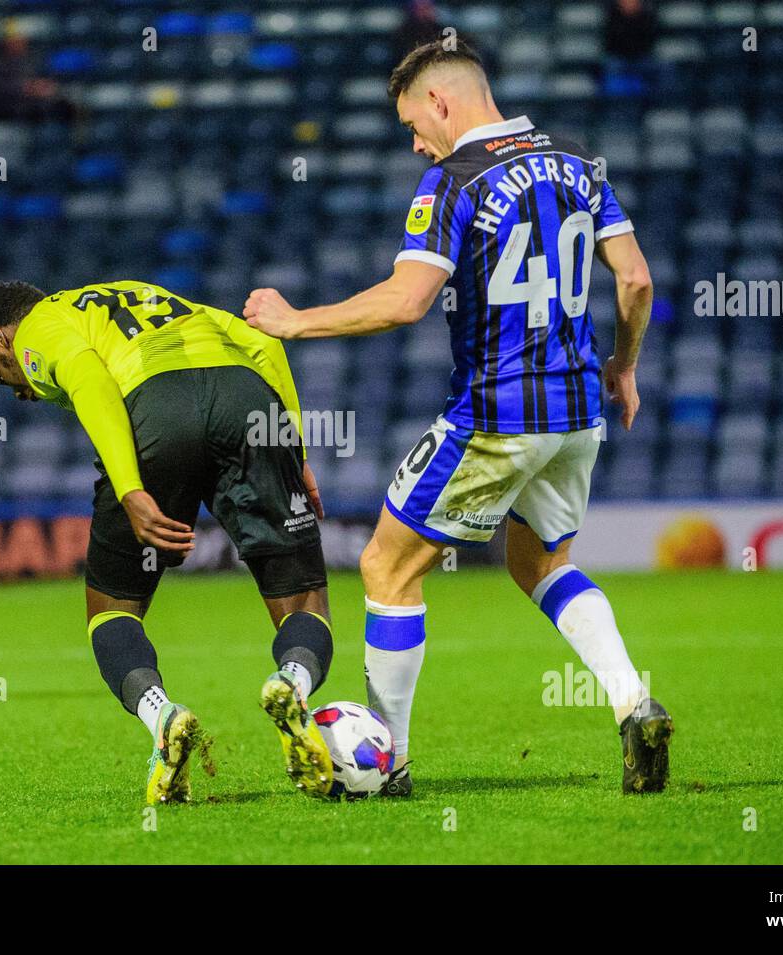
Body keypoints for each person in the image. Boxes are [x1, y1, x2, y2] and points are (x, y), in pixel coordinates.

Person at [244, 40, 674, 795]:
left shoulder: (454, 179)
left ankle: (391, 763)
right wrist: (625, 363)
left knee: (385, 565)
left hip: (498, 413)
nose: (415, 141)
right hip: (577, 410)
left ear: (442, 103)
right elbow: (635, 279)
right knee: (541, 561)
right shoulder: (578, 160)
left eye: (414, 123)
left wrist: (295, 320)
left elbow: (406, 300)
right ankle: (633, 702)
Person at [0, 280, 335, 804]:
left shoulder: (41, 324)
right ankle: (292, 684)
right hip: (246, 399)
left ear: (2, 339)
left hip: (158, 406)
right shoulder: (154, 296)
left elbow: (90, 378)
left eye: (3, 376)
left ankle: (162, 718)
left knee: (111, 606)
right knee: (303, 594)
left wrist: (131, 487)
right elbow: (265, 343)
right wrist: (294, 452)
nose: (19, 391)